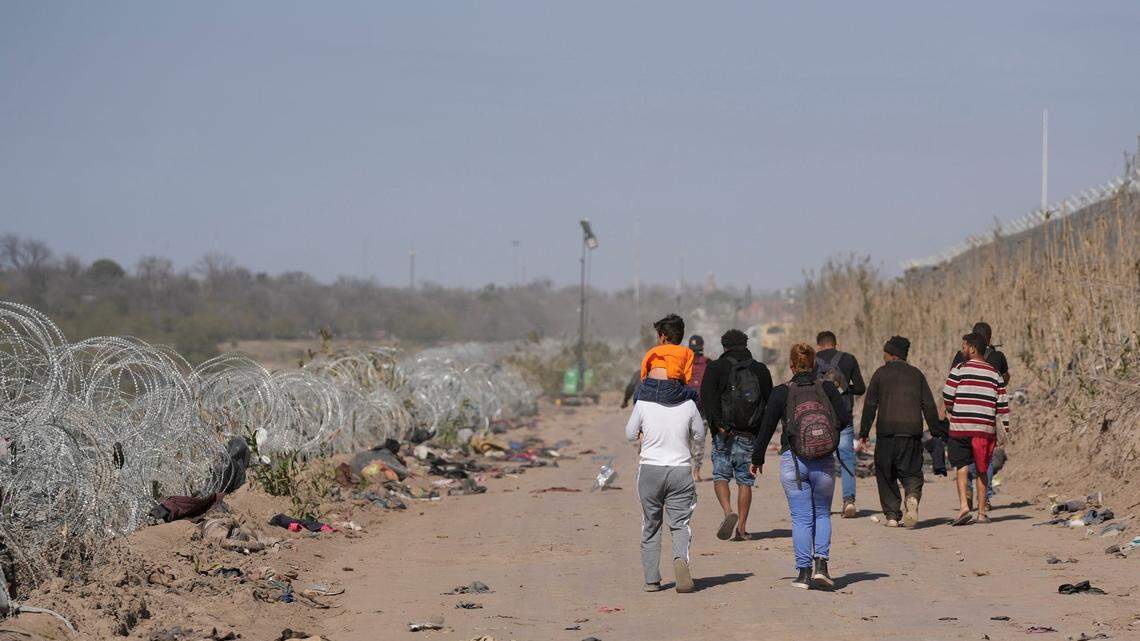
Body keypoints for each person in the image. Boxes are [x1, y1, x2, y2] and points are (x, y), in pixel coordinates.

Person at [751, 343, 850, 590]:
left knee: (801, 518)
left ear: (792, 366)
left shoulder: (781, 392)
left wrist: (757, 459)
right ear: (814, 364)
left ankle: (804, 574)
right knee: (822, 514)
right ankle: (822, 567)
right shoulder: (826, 387)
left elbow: (766, 428)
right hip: (824, 460)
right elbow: (845, 418)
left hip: (793, 461)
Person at [858, 336, 946, 528]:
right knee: (912, 471)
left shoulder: (880, 374)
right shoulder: (917, 375)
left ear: (891, 354)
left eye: (885, 354)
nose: (884, 358)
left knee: (885, 472)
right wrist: (936, 430)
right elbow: (928, 405)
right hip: (911, 433)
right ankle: (912, 496)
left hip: (887, 433)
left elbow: (870, 405)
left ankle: (891, 515)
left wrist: (864, 432)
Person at [624, 389, 705, 593]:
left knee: (650, 523)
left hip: (650, 470)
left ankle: (651, 579)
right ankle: (680, 560)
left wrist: (644, 434)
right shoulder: (688, 404)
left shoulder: (643, 403)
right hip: (680, 471)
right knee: (680, 524)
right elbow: (699, 435)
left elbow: (630, 434)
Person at [699, 329, 773, 540]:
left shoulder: (715, 367)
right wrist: (761, 436)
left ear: (724, 347)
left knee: (721, 476)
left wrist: (717, 426)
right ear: (746, 344)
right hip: (750, 434)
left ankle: (727, 511)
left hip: (724, 435)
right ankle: (741, 528)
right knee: (745, 482)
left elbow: (707, 399)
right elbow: (770, 402)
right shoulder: (760, 369)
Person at [943, 332, 1010, 526]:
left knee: (962, 467)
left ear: (972, 349)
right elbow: (1002, 404)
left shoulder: (959, 369)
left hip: (960, 427)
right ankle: (981, 513)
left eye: (964, 347)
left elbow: (948, 394)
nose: (962, 350)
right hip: (984, 429)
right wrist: (1004, 427)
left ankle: (964, 506)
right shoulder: (994, 373)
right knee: (982, 469)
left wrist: (952, 410)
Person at [814, 331, 866, 518]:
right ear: (836, 344)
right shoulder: (849, 359)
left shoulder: (812, 360)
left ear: (819, 345)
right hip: (844, 416)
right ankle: (849, 501)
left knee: (820, 460)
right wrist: (844, 389)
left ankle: (821, 504)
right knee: (846, 458)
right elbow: (861, 388)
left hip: (820, 417)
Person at [635, 314, 699, 405]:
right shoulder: (687, 352)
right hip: (672, 389)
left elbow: (643, 374)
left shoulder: (652, 351)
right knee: (694, 394)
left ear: (663, 336)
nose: (657, 339)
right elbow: (686, 379)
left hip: (649, 388)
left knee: (637, 393)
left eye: (657, 336)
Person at [686, 335, 711, 482]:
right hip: (703, 409)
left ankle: (688, 471)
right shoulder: (708, 363)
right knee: (699, 441)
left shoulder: (684, 364)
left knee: (686, 441)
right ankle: (696, 471)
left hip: (687, 409)